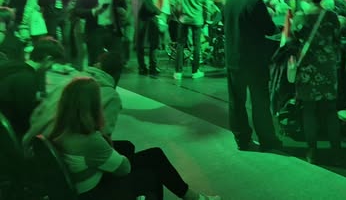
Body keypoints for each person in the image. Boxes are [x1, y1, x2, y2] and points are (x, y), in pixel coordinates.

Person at [48, 77, 219, 200]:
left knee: (128, 146)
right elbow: (124, 168)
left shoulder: (61, 127)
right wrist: (104, 138)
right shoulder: (90, 140)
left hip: (80, 180)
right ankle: (193, 198)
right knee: (154, 164)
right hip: (94, 191)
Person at [223, 0, 281, 151]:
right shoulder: (256, 3)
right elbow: (269, 29)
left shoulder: (229, 2)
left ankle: (241, 139)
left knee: (236, 102)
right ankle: (267, 139)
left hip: (233, 60)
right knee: (260, 102)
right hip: (254, 63)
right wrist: (279, 26)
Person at [288, 0, 341, 164]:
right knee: (330, 109)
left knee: (309, 110)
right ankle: (336, 149)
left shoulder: (300, 17)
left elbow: (292, 41)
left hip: (307, 69)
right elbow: (337, 40)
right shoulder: (332, 16)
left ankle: (312, 151)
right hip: (327, 68)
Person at [23, 51, 123, 148]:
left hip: (37, 142)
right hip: (65, 150)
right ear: (118, 74)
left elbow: (37, 114)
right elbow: (104, 135)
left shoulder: (70, 80)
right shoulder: (111, 95)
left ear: (97, 65)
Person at [75, 0, 127, 65]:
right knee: (95, 62)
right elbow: (77, 10)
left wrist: (122, 10)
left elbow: (123, 5)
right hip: (95, 31)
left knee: (116, 63)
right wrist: (93, 11)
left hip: (113, 31)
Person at [173, 0, 208, 80]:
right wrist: (205, 19)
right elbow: (206, 6)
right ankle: (195, 71)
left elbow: (172, 2)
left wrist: (177, 15)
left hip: (183, 19)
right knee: (197, 45)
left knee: (180, 44)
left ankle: (178, 72)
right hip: (197, 20)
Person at [132, 0, 161, 76]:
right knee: (153, 45)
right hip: (148, 24)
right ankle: (153, 68)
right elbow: (150, 9)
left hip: (138, 23)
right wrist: (158, 11)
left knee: (139, 47)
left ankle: (142, 67)